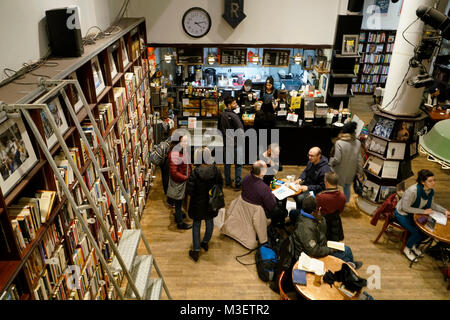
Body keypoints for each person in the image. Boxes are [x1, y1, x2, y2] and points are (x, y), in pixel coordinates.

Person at [290, 196, 363, 269]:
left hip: (319, 246)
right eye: (318, 208)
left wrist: (320, 219)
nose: (320, 209)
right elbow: (313, 251)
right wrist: (331, 250)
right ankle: (349, 268)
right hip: (310, 257)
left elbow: (323, 231)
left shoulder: (308, 216)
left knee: (347, 249)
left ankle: (349, 266)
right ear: (313, 211)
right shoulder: (306, 228)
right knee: (346, 252)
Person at [395, 169, 450, 261]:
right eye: (430, 181)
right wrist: (424, 212)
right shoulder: (412, 191)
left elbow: (432, 205)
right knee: (417, 232)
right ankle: (407, 248)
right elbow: (405, 208)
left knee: (428, 230)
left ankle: (413, 245)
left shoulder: (430, 191)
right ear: (422, 182)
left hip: (416, 213)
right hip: (403, 214)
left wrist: (444, 211)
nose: (433, 183)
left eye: (433, 180)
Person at [186, 147, 223, 262]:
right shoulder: (216, 170)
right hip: (211, 202)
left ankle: (196, 250)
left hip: (197, 203)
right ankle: (205, 242)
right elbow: (220, 185)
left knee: (196, 224)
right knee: (209, 221)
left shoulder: (195, 173)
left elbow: (189, 190)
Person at [290, 147, 331, 224]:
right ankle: (298, 215)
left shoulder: (325, 170)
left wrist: (308, 187)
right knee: (294, 192)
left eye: (312, 156)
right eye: (309, 155)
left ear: (319, 156)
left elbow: (322, 187)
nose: (309, 157)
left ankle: (302, 218)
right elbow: (305, 171)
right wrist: (300, 179)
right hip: (307, 185)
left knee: (299, 197)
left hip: (316, 191)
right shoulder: (311, 162)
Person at [241, 160, 286, 225]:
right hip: (260, 212)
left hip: (246, 207)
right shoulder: (264, 188)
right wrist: (271, 195)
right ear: (263, 172)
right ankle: (274, 225)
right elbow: (272, 206)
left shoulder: (245, 178)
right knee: (283, 212)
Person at [329, 121, 363, 203]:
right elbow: (359, 159)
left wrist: (330, 162)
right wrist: (360, 171)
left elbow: (337, 159)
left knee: (335, 188)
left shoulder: (339, 143)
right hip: (351, 171)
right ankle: (345, 203)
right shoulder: (358, 143)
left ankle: (335, 203)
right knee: (347, 187)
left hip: (339, 171)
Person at [219, 96, 244, 190]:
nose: (236, 104)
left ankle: (228, 182)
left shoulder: (222, 115)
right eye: (234, 103)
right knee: (238, 164)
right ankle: (238, 184)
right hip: (236, 143)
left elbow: (220, 129)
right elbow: (240, 129)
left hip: (227, 143)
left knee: (227, 164)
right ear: (229, 105)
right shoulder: (233, 115)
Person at [168, 134, 192, 230]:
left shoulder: (183, 150)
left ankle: (179, 216)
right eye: (184, 142)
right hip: (179, 182)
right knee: (178, 203)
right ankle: (180, 223)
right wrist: (185, 177)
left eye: (187, 141)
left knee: (181, 201)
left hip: (183, 180)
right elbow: (174, 172)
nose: (186, 144)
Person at [316, 172, 347, 241]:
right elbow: (340, 210)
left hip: (323, 224)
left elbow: (316, 211)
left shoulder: (321, 197)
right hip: (336, 224)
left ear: (326, 183)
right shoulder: (343, 196)